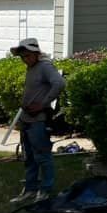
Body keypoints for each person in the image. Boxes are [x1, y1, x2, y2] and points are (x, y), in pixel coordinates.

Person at [9, 37, 66, 203]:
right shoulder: (31, 68)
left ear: (36, 53)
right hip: (26, 119)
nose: (25, 59)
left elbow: (59, 83)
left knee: (42, 155)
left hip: (38, 120)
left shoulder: (45, 67)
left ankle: (45, 190)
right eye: (22, 57)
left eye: (27, 56)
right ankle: (30, 189)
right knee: (29, 157)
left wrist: (43, 104)